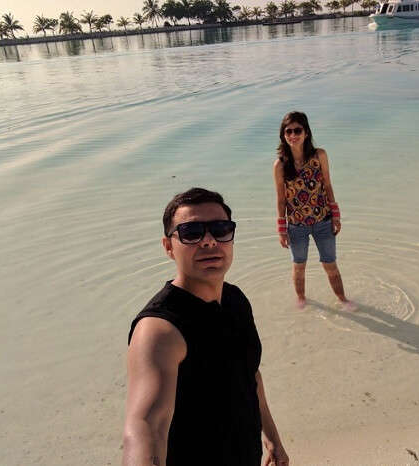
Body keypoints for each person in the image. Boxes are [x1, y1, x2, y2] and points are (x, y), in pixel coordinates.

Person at [122, 187, 288, 466]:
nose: (209, 241)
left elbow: (250, 375)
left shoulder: (236, 301)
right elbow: (147, 426)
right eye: (191, 232)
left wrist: (272, 437)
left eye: (221, 229)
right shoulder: (160, 328)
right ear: (168, 246)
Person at [273, 111, 355, 311]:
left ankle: (343, 299)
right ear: (283, 135)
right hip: (296, 225)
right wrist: (282, 229)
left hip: (323, 221)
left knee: (330, 265)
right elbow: (281, 199)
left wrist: (336, 215)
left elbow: (327, 186)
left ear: (306, 132)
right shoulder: (281, 165)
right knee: (299, 266)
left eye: (297, 130)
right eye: (288, 131)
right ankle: (301, 299)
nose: (293, 135)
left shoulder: (320, 156)